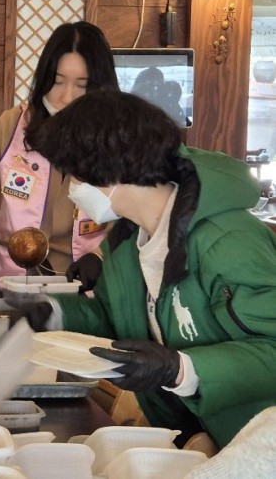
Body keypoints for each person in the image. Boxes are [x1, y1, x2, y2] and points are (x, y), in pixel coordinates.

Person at [19, 89, 276, 449]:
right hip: (193, 436)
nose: (73, 187)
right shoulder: (126, 240)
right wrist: (55, 314)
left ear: (110, 168)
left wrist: (180, 368)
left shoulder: (229, 241)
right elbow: (119, 320)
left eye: (75, 174)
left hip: (256, 445)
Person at [0, 21, 120, 294]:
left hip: (89, 292)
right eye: (57, 81)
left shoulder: (121, 139)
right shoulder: (15, 125)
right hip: (13, 288)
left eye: (82, 85)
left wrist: (101, 256)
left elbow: (139, 220)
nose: (66, 97)